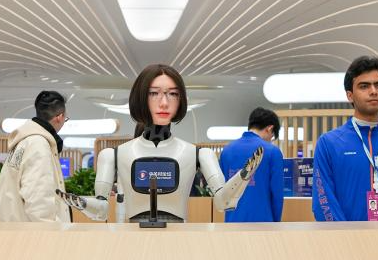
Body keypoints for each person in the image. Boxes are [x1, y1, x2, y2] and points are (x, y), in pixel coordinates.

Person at [58, 63, 262, 223]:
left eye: (172, 94)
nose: (164, 102)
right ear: (141, 97)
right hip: (133, 241)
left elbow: (223, 202)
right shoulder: (113, 155)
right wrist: (82, 203)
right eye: (154, 93)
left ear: (180, 100)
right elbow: (101, 210)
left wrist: (242, 178)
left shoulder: (199, 154)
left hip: (179, 243)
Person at [312, 56, 378, 221]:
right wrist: (344, 234)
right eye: (364, 86)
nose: (373, 91)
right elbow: (323, 201)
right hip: (343, 236)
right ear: (350, 95)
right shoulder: (329, 144)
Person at [0, 90, 71, 222]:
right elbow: (38, 201)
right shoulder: (39, 145)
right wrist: (50, 232)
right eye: (66, 119)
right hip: (35, 232)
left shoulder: (24, 142)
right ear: (60, 117)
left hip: (16, 229)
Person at [219, 107, 285, 222]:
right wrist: (276, 223)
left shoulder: (226, 151)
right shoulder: (272, 152)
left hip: (232, 223)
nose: (270, 140)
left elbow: (222, 190)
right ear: (270, 128)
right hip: (263, 223)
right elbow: (277, 195)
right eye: (272, 136)